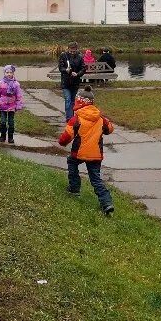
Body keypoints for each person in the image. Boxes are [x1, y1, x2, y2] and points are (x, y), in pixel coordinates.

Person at [58, 87, 115, 216]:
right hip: (96, 154)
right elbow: (110, 129)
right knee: (95, 178)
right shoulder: (100, 118)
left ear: (79, 102)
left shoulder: (76, 119)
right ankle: (107, 202)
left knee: (72, 164)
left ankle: (74, 189)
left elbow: (67, 136)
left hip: (79, 152)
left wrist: (61, 142)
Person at [0, 64, 24, 143]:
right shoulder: (1, 83)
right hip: (2, 105)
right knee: (3, 122)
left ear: (13, 73)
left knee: (11, 122)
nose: (9, 74)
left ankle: (10, 137)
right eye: (7, 72)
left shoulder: (16, 84)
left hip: (12, 106)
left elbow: (19, 95)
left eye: (11, 72)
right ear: (4, 73)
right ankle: (2, 136)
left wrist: (18, 105)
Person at [57, 42, 86, 121]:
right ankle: (69, 118)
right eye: (71, 51)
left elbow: (83, 68)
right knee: (68, 100)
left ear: (76, 49)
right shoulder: (63, 56)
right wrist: (66, 70)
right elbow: (60, 67)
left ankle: (72, 117)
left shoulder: (79, 57)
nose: (72, 53)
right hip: (66, 82)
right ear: (68, 49)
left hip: (75, 82)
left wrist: (77, 74)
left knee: (73, 101)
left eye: (74, 51)